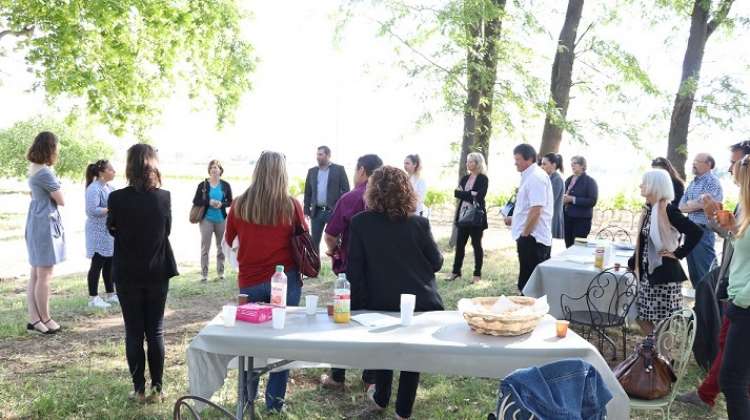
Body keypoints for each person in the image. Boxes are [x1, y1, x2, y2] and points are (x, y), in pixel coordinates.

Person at [347, 166, 444, 419]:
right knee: (411, 357)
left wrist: (354, 306)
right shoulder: (419, 223)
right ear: (407, 192)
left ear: (372, 191)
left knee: (383, 349)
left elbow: (353, 269)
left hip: (378, 300)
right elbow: (436, 262)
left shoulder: (360, 223)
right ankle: (403, 411)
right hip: (417, 302)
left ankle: (380, 398)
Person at [224, 150, 305, 412]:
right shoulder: (291, 205)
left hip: (249, 280)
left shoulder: (239, 204)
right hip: (285, 280)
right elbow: (303, 237)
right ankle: (275, 403)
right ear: (282, 173)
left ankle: (247, 398)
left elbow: (229, 241)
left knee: (250, 343)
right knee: (282, 342)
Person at [677, 141, 750, 409]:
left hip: (743, 294)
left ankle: (709, 394)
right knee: (726, 344)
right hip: (737, 287)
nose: (731, 167)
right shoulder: (745, 200)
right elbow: (736, 237)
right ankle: (709, 393)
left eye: (736, 162)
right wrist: (718, 221)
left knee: (734, 375)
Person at [107, 144, 178, 403]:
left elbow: (111, 228)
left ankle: (138, 390)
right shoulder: (164, 197)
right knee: (155, 331)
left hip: (127, 271)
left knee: (134, 332)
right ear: (153, 166)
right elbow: (166, 230)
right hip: (157, 270)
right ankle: (157, 390)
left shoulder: (116, 198)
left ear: (129, 166)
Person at [320, 154, 382, 390]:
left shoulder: (352, 197)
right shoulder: (390, 198)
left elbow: (330, 234)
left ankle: (338, 376)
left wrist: (335, 250)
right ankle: (370, 378)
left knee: (343, 320)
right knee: (376, 322)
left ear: (362, 170)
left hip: (351, 270)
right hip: (381, 271)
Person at [627, 169, 701, 335]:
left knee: (663, 323)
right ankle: (656, 350)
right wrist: (632, 263)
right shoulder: (648, 209)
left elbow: (696, 232)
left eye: (644, 182)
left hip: (664, 275)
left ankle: (662, 356)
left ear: (654, 186)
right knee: (639, 314)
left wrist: (679, 253)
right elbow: (643, 242)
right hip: (648, 274)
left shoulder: (668, 210)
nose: (640, 185)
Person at [716, 154, 750, 419]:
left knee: (732, 379)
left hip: (746, 305)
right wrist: (730, 227)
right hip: (740, 300)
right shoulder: (747, 211)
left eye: (737, 176)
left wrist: (742, 299)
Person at [25, 131, 66, 334]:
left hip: (36, 220)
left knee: (36, 273)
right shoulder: (45, 173)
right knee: (45, 275)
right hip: (44, 223)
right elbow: (61, 200)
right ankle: (45, 318)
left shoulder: (34, 168)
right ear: (50, 148)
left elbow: (34, 194)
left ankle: (35, 319)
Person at [504, 144, 553, 292]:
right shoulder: (530, 176)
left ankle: (528, 312)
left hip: (533, 239)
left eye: (518, 159)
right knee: (526, 282)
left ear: (529, 159)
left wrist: (524, 235)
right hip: (529, 237)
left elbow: (536, 210)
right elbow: (527, 209)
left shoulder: (535, 177)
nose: (515, 163)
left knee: (529, 286)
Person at [679, 153, 723, 288]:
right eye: (693, 161)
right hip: (689, 231)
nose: (693, 164)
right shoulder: (693, 183)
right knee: (693, 272)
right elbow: (681, 207)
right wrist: (697, 203)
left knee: (705, 272)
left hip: (702, 231)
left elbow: (708, 205)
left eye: (697, 161)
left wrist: (695, 204)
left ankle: (710, 305)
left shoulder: (713, 182)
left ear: (708, 164)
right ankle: (700, 305)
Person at [448, 152, 488, 283]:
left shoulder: (483, 179)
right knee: (460, 245)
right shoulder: (464, 178)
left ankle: (477, 275)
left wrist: (466, 194)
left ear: (478, 163)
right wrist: (470, 194)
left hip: (476, 217)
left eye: (471, 161)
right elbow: (456, 193)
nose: (468, 164)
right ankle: (455, 272)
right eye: (467, 161)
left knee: (476, 245)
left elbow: (480, 196)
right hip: (463, 216)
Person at [303, 146, 350, 252]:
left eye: (320, 154)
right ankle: (315, 268)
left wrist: (340, 208)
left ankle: (337, 267)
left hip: (333, 212)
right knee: (314, 243)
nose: (317, 157)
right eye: (317, 154)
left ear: (328, 155)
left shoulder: (339, 170)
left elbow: (346, 190)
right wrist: (306, 210)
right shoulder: (312, 171)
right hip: (316, 212)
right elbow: (308, 192)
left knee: (335, 241)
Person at [192, 160, 233, 282]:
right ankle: (204, 274)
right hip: (206, 220)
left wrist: (221, 204)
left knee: (221, 247)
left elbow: (230, 201)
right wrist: (208, 202)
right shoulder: (203, 185)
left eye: (217, 167)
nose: (214, 169)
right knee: (205, 247)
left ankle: (221, 272)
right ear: (209, 170)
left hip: (221, 219)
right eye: (212, 167)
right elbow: (196, 201)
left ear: (220, 170)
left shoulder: (225, 185)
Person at [84, 159, 118, 309]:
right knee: (97, 263)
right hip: (97, 231)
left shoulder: (110, 187)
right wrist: (111, 209)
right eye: (111, 169)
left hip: (108, 231)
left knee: (109, 263)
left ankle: (111, 294)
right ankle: (93, 297)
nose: (114, 172)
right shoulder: (94, 188)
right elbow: (92, 210)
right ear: (101, 173)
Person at [563, 155, 598, 247]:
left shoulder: (590, 181)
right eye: (571, 164)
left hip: (581, 221)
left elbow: (592, 201)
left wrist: (572, 199)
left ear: (582, 166)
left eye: (575, 163)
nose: (572, 166)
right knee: (568, 247)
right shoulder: (568, 179)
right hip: (567, 219)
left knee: (579, 248)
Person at [541, 153, 565, 240]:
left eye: (544, 164)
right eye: (541, 164)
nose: (542, 166)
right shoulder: (548, 178)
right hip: (547, 218)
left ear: (553, 165)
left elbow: (549, 201)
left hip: (553, 220)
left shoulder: (557, 180)